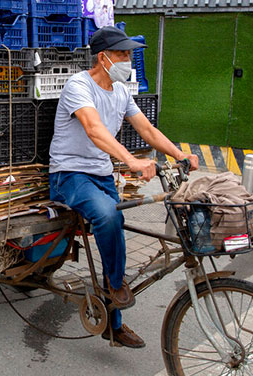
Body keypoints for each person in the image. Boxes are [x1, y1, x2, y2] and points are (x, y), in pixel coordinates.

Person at [49, 27, 199, 348]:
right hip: (70, 175)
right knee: (108, 215)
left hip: (101, 174)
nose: (128, 60)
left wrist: (179, 154)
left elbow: (147, 129)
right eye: (122, 54)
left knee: (115, 224)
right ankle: (115, 288)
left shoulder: (121, 91)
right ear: (103, 58)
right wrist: (131, 161)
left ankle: (112, 321)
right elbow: (94, 129)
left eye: (130, 54)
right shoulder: (79, 85)